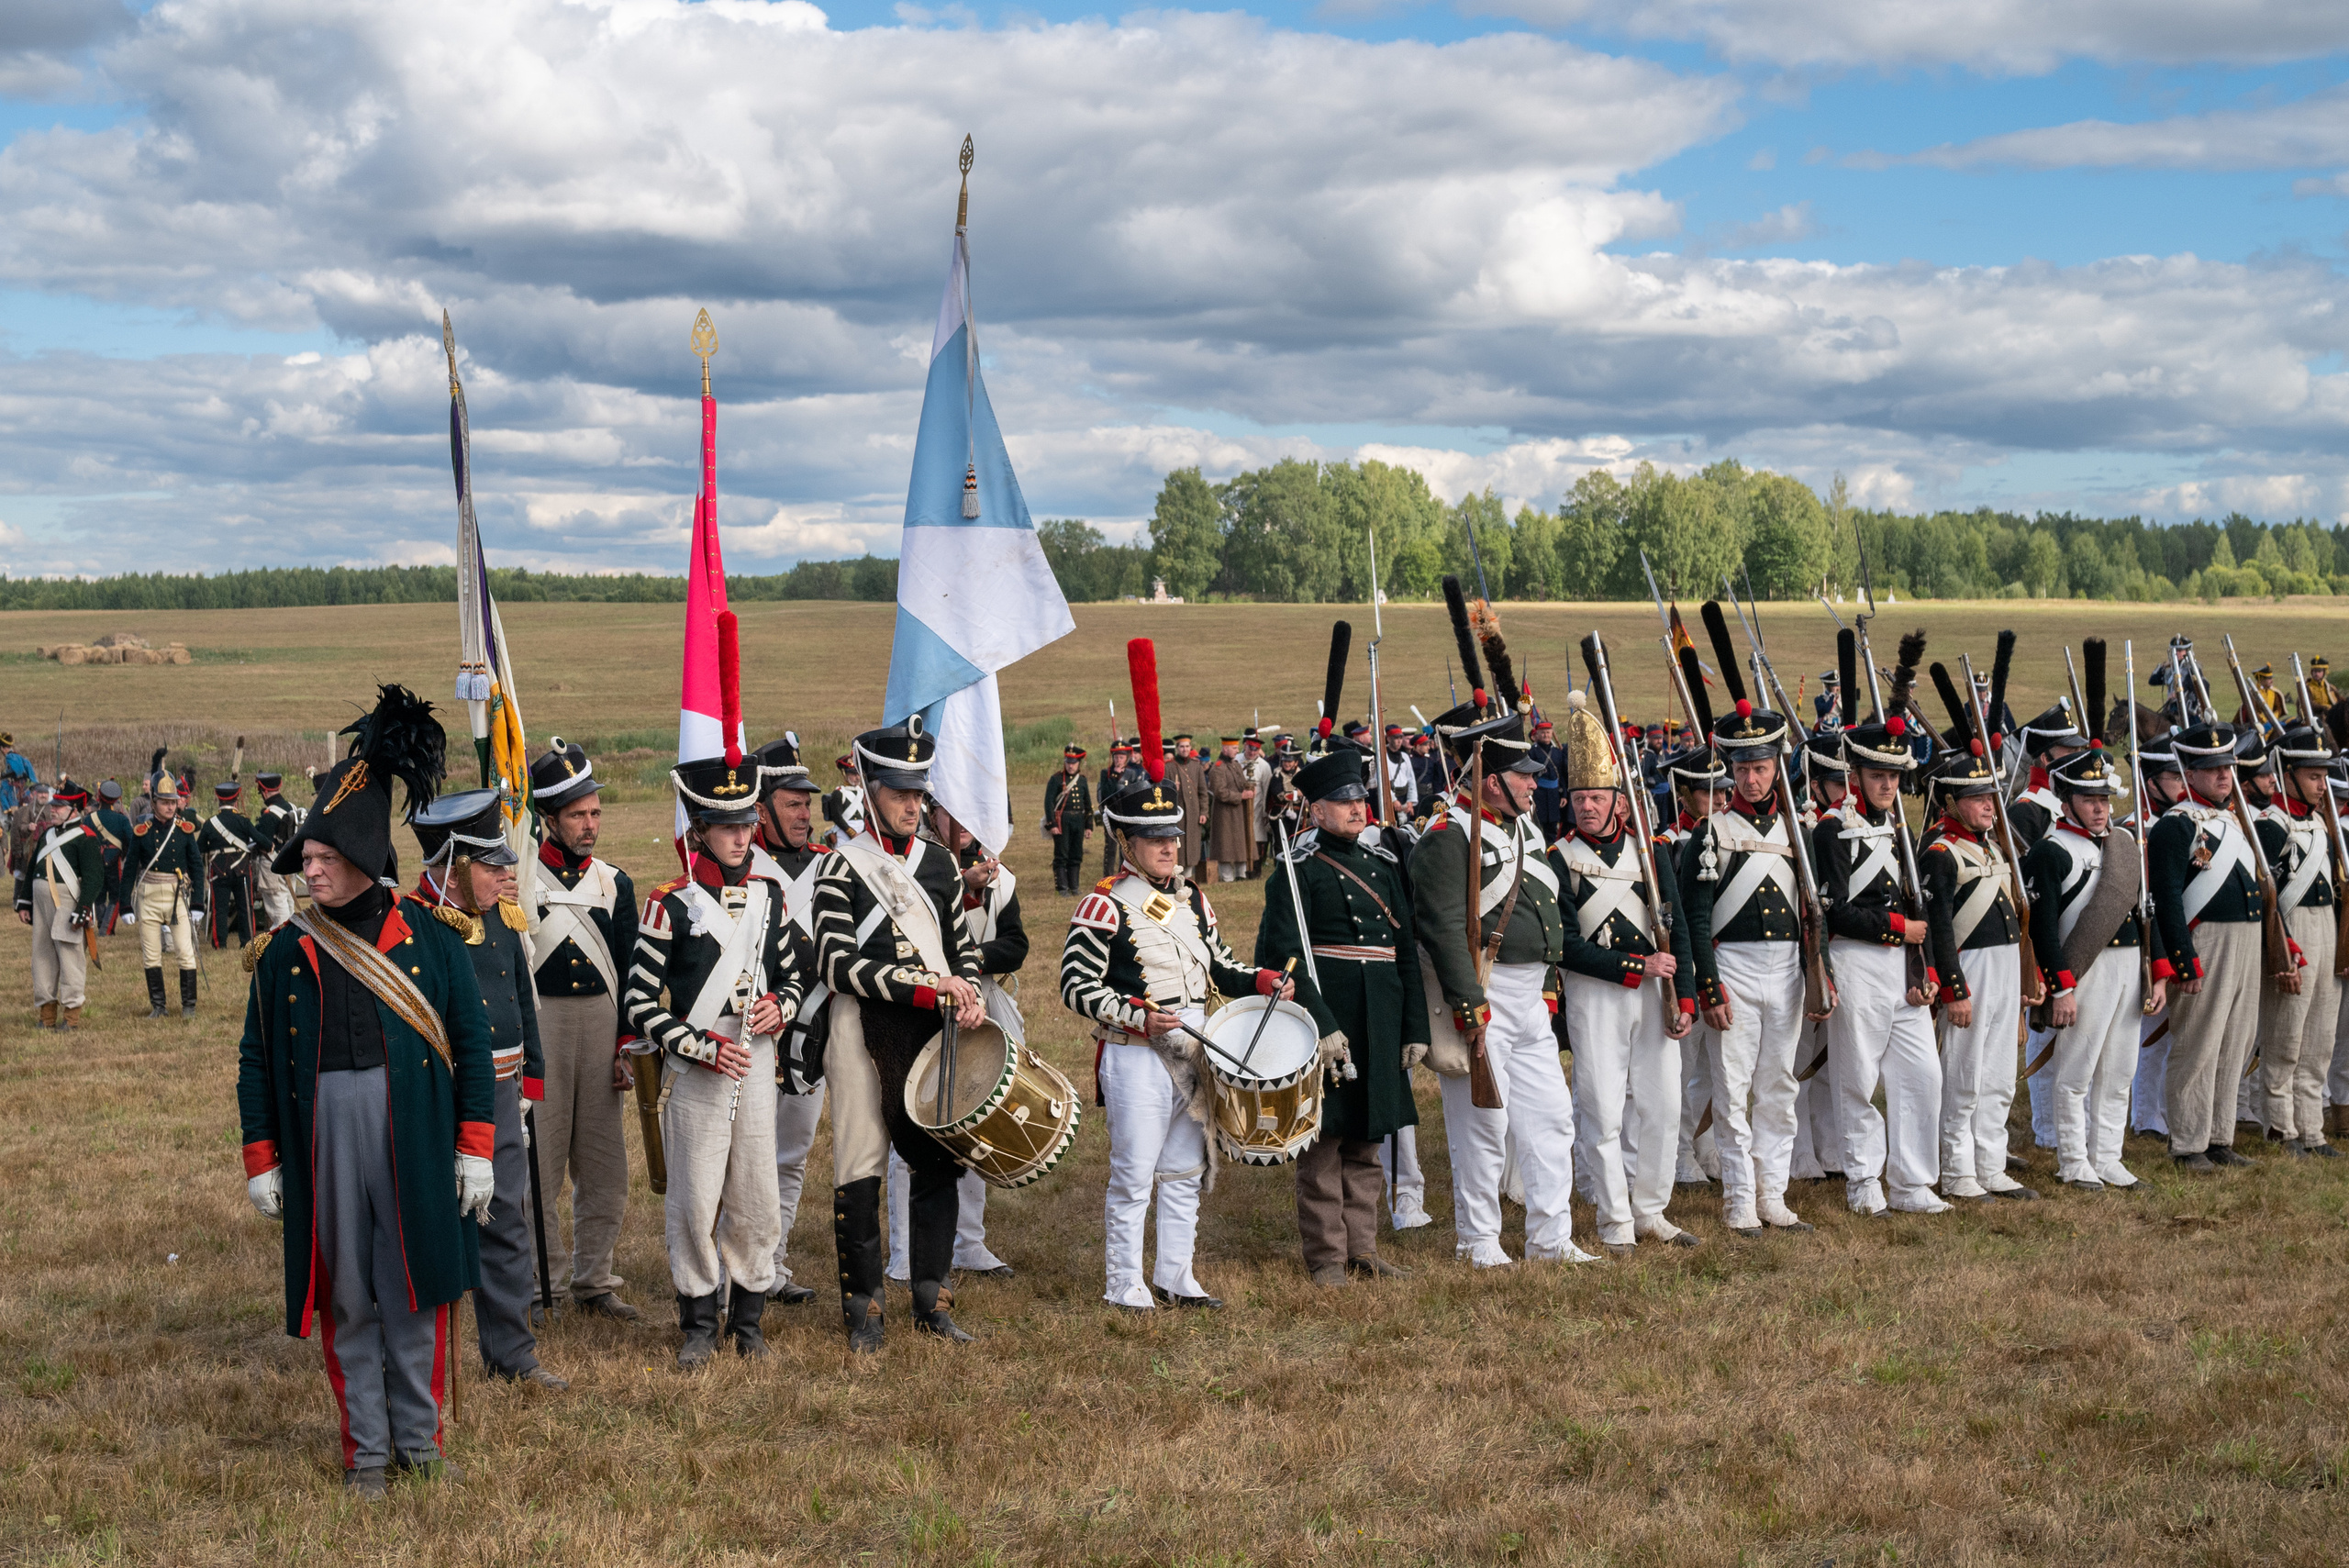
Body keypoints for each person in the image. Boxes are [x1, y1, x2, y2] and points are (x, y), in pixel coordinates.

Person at [234, 685, 496, 1496]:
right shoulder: (283, 954)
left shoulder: (431, 940)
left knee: (413, 1286)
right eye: (304, 860)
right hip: (324, 1136)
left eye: (318, 857)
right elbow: (254, 1061)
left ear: (358, 854)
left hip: (412, 1128)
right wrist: (261, 1157)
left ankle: (419, 1442)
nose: (305, 868)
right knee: (346, 1291)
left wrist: (475, 1148)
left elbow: (474, 1047)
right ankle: (367, 1453)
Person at [1063, 763, 1284, 1308]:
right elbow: (1074, 986)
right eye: (1153, 839)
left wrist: (1259, 979)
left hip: (1194, 1047)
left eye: (1172, 837)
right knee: (1135, 1174)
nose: (1168, 848)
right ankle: (1123, 1283)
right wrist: (1136, 1015)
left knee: (1186, 1169)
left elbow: (1221, 967)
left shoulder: (1194, 901)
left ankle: (1175, 1276)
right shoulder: (1104, 903)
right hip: (1136, 1052)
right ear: (1126, 842)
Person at [810, 717, 987, 1352]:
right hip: (861, 1026)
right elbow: (835, 964)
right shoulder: (840, 866)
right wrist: (924, 986)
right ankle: (863, 1310)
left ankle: (931, 1299)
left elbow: (962, 950)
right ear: (868, 788)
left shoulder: (939, 863)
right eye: (899, 792)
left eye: (919, 792)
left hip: (932, 1027)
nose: (914, 804)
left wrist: (964, 993)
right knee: (859, 1164)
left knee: (939, 1157)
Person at [627, 751, 807, 1366]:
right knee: (695, 1199)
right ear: (698, 828)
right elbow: (639, 1004)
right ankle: (699, 1320)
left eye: (745, 824)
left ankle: (749, 1319)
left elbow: (795, 974)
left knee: (756, 1194)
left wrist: (781, 1005)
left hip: (757, 1068)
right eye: (724, 824)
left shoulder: (769, 898)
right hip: (698, 1072)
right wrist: (701, 1046)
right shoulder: (669, 903)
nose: (739, 836)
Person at [1413, 697, 1595, 1267]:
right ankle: (1479, 1240)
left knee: (1550, 1120)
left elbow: (1543, 914)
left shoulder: (1527, 834)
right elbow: (1442, 926)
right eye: (1523, 775)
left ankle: (1550, 1236)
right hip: (1483, 993)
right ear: (1491, 780)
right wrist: (1470, 1004)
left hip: (1531, 995)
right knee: (1483, 1127)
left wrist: (1546, 986)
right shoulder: (1448, 836)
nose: (1533, 786)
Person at [410, 788, 566, 1390]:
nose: (507, 872)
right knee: (430, 1225)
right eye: (491, 863)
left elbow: (520, 996)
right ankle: (420, 1355)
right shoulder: (415, 924)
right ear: (451, 863)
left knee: (506, 1222)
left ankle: (512, 1352)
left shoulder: (502, 914)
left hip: (503, 1093)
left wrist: (530, 1077)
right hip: (437, 1096)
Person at [1255, 751, 1425, 1284]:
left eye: (1360, 799)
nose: (1357, 809)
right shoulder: (1296, 872)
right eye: (1343, 802)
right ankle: (1328, 1257)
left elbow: (1405, 950)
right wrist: (1322, 1022)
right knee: (1325, 1139)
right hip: (1330, 1016)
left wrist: (1415, 1026)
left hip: (1382, 1011)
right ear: (1317, 811)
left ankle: (1364, 1250)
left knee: (1369, 1136)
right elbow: (1282, 956)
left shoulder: (1383, 866)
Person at [1549, 695, 1698, 1252]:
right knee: (1603, 1108)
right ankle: (1614, 1222)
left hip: (1657, 991)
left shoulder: (1651, 853)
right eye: (1579, 797)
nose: (1587, 807)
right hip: (1597, 994)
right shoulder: (1557, 858)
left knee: (1661, 1107)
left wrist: (1684, 997)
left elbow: (1677, 928)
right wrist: (1637, 966)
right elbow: (1565, 946)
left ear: (1619, 801)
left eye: (1597, 797)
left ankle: (1651, 1210)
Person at [1676, 683, 1812, 1238]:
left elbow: (1811, 912)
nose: (1752, 778)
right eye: (1743, 768)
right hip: (1732, 968)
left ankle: (1772, 1193)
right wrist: (1708, 987)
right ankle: (1738, 1198)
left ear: (1777, 765)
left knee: (1779, 1085)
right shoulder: (1713, 832)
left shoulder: (1798, 832)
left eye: (1761, 766)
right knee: (1731, 1091)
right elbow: (1695, 920)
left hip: (1786, 971)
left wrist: (1818, 975)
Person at [526, 739, 643, 1320]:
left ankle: (594, 1280)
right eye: (577, 815)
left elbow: (628, 970)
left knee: (603, 1166)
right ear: (550, 818)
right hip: (542, 1026)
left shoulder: (614, 884)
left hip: (600, 1027)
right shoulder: (520, 882)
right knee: (539, 1167)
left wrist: (626, 1043)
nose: (589, 825)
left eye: (595, 813)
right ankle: (539, 1286)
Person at [886, 796, 1025, 1284]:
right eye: (954, 813)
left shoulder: (1000, 878)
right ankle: (904, 1251)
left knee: (975, 1119)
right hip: (919, 1007)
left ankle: (968, 1241)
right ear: (934, 813)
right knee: (913, 1127)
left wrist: (972, 965)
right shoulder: (906, 870)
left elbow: (1016, 945)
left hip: (978, 1005)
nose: (964, 825)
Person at [1810, 719, 1945, 1217]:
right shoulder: (1831, 829)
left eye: (1893, 776)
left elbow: (1918, 904)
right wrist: (1897, 930)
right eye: (1876, 775)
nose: (1887, 785)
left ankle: (1912, 1182)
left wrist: (1923, 968)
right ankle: (1864, 1181)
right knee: (1858, 1077)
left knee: (1922, 1076)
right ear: (1856, 775)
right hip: (1857, 960)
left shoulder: (1897, 828)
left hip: (1902, 965)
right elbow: (1836, 909)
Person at [2025, 746, 2164, 1191]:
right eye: (2089, 799)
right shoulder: (2051, 851)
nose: (2100, 808)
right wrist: (2062, 988)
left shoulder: (2124, 845)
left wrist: (2157, 973)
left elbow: (2147, 913)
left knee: (2120, 1069)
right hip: (2085, 971)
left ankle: (2108, 1157)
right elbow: (2043, 930)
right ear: (2066, 802)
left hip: (2127, 970)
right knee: (2076, 1072)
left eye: (2104, 798)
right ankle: (2073, 1160)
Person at [2148, 721, 2272, 1171]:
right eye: (2212, 767)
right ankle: (2188, 1142)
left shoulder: (2234, 822)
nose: (2224, 775)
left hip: (2244, 940)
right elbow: (2166, 900)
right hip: (2206, 942)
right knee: (2199, 1045)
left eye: (2228, 766)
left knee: (2236, 1042)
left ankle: (2219, 1136)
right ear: (2189, 771)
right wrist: (2184, 960)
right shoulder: (2176, 826)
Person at [1922, 740, 2034, 1203]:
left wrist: (2028, 980)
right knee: (1964, 1075)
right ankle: (1957, 1170)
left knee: (1999, 1076)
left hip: (2005, 970)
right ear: (1952, 802)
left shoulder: (1992, 848)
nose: (1990, 805)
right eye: (1978, 798)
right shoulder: (1941, 852)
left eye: (1992, 796)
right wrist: (1954, 989)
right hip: (1971, 972)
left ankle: (1990, 1164)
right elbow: (1940, 931)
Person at [750, 734, 827, 1308]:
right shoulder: (741, 865)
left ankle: (772, 1264)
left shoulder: (828, 864)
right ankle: (740, 1266)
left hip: (817, 1025)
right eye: (793, 803)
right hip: (756, 1027)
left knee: (791, 1153)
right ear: (762, 806)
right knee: (745, 1154)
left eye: (808, 803)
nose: (805, 814)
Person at [2247, 726, 2337, 1156]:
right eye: (2314, 776)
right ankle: (2281, 1127)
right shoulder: (2270, 825)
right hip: (2292, 927)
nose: (2323, 785)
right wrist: (2282, 949)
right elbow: (2266, 898)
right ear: (2288, 773)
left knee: (2320, 1037)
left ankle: (2313, 1129)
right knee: (2286, 1037)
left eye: (2324, 776)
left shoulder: (2320, 822)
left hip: (2327, 928)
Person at [1666, 744, 1731, 1190]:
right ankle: (1675, 1152)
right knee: (1682, 1068)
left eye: (1724, 793)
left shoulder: (1726, 836)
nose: (1723, 802)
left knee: (1714, 1069)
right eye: (1710, 795)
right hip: (1688, 968)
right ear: (1686, 796)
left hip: (1725, 965)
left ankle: (1703, 1143)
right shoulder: (1673, 843)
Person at [16, 780, 102, 1030]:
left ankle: (71, 1017)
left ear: (75, 810)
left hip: (67, 902)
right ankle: (46, 1016)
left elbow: (94, 877)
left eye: (59, 807)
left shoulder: (86, 838)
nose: (53, 810)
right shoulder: (47, 834)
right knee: (41, 956)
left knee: (69, 957)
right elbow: (33, 868)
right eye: (53, 805)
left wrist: (83, 908)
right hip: (41, 902)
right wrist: (25, 902)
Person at [129, 774, 205, 1019]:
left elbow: (196, 866)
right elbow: (130, 868)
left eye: (173, 802)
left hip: (176, 897)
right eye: (164, 802)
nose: (170, 807)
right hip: (148, 896)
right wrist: (124, 906)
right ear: (153, 803)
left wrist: (198, 903)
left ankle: (189, 1006)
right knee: (151, 954)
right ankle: (159, 1006)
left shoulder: (184, 831)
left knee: (185, 951)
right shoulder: (142, 832)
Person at [197, 780, 262, 949]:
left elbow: (200, 848)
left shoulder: (210, 823)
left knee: (220, 909)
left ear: (219, 800)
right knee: (245, 907)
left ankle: (220, 943)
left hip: (219, 870)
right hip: (242, 870)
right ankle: (247, 942)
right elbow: (259, 839)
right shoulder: (243, 821)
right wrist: (269, 846)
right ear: (235, 800)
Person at [252, 773, 304, 927]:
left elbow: (263, 842)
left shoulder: (269, 815)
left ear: (264, 791)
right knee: (289, 905)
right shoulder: (292, 808)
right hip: (290, 863)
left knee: (278, 910)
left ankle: (281, 941)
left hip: (272, 866)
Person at [1205, 735, 1256, 883]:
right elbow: (1219, 792)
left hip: (1239, 813)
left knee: (1241, 845)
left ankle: (1242, 874)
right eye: (1234, 748)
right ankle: (1227, 877)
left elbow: (1243, 783)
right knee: (1225, 846)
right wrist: (1241, 796)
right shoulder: (1218, 768)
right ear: (1225, 749)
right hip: (1225, 814)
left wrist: (1250, 789)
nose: (1237, 750)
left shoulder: (1236, 765)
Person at [1043, 743, 1093, 895]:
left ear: (1078, 763)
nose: (1070, 766)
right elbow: (1049, 802)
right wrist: (1052, 823)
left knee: (1076, 853)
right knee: (1062, 854)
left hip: (1078, 820)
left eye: (1073, 763)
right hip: (1062, 820)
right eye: (1068, 762)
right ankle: (1062, 887)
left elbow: (1088, 804)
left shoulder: (1082, 780)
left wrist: (1088, 826)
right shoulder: (1056, 779)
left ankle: (1074, 886)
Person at [1097, 740, 1143, 879]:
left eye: (1121, 757)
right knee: (1110, 847)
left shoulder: (1131, 774)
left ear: (1126, 758)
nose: (1118, 760)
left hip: (1126, 814)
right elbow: (1105, 793)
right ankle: (1108, 876)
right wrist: (1114, 777)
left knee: (1125, 847)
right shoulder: (1106, 773)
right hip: (1111, 814)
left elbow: (1135, 793)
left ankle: (1123, 874)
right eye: (1116, 757)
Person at [91, 781, 131, 932]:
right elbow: (131, 840)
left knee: (98, 896)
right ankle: (106, 929)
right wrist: (124, 854)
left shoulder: (90, 818)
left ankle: (103, 924)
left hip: (95, 862)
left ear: (99, 797)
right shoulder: (122, 819)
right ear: (116, 800)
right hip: (115, 861)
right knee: (116, 897)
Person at [1169, 733, 1209, 880]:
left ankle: (1189, 876)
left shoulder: (1196, 766)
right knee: (1179, 847)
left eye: (1187, 746)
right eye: (1181, 747)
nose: (1184, 749)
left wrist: (1204, 812)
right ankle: (1175, 877)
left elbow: (1203, 792)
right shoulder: (1169, 767)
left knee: (1192, 846)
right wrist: (1173, 789)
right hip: (1177, 815)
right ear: (1177, 748)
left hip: (1193, 814)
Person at [1528, 717, 1563, 843]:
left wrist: (1563, 795)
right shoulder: (1532, 752)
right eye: (1543, 732)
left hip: (1554, 794)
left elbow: (1562, 775)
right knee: (1538, 824)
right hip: (1539, 793)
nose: (1546, 735)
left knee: (1553, 827)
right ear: (1537, 735)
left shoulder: (1557, 752)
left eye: (1548, 732)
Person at [821, 753, 866, 846]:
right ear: (844, 773)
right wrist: (852, 833)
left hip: (862, 832)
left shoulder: (862, 792)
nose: (857, 777)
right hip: (844, 832)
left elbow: (866, 814)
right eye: (853, 774)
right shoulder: (839, 793)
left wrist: (864, 832)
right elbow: (837, 816)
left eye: (858, 774)